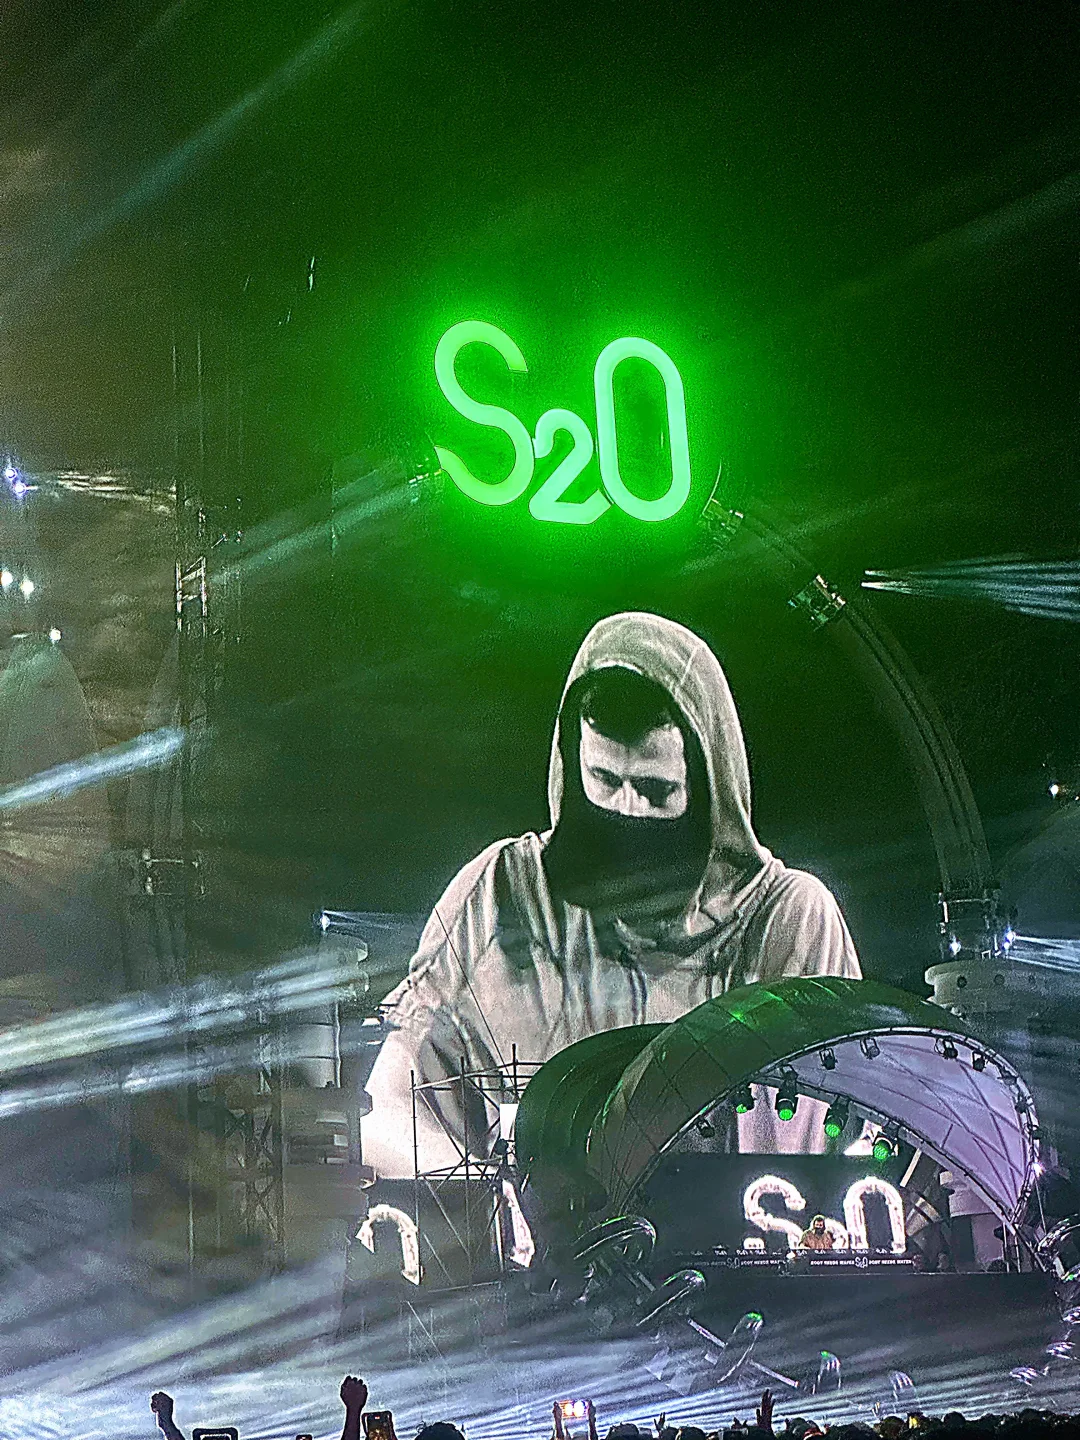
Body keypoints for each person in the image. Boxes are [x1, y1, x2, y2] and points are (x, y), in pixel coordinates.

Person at [363, 611, 860, 1175]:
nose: (626, 809)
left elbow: (855, 1139)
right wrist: (497, 1195)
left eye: (656, 790)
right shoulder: (501, 893)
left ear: (708, 784)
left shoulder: (791, 920)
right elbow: (384, 1114)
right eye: (603, 781)